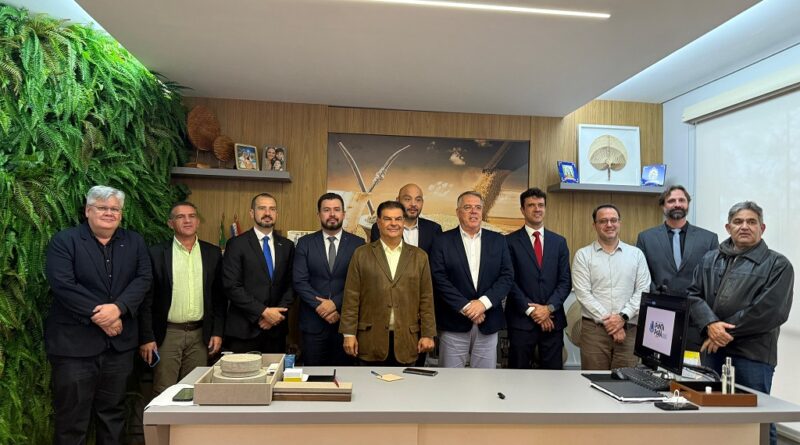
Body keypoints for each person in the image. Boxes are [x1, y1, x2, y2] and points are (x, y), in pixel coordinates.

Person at [45, 185, 152, 445]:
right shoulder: (65, 241)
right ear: (87, 211)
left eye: (115, 209)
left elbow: (143, 278)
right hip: (74, 348)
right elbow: (63, 284)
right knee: (72, 421)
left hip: (119, 348)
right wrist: (102, 317)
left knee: (113, 417)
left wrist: (118, 308)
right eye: (102, 208)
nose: (109, 213)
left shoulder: (134, 241)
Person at [689, 201, 793, 445]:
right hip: (713, 353)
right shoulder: (709, 259)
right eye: (738, 221)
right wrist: (710, 325)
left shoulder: (778, 265)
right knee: (715, 417)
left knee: (757, 419)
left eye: (751, 221)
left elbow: (770, 311)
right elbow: (692, 295)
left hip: (753, 355)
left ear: (762, 228)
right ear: (728, 227)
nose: (744, 226)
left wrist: (720, 332)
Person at [138, 202, 226, 396]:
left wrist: (217, 332)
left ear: (198, 221)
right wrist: (147, 337)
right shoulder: (156, 253)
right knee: (163, 391)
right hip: (167, 335)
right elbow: (145, 300)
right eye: (180, 217)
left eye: (192, 216)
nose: (187, 220)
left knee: (194, 391)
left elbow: (219, 298)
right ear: (170, 223)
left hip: (200, 335)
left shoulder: (212, 253)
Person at [340, 201, 436, 366]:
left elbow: (426, 298)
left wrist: (428, 334)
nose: (393, 223)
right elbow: (351, 297)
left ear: (403, 222)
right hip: (370, 339)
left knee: (406, 383)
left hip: (407, 340)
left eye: (398, 219)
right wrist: (348, 334)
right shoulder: (361, 254)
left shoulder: (419, 257)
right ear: (378, 223)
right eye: (387, 219)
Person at [429, 191, 513, 368]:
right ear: (458, 212)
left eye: (478, 207)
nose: (473, 211)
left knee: (484, 380)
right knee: (451, 379)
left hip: (488, 321)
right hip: (454, 322)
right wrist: (467, 307)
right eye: (467, 207)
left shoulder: (498, 241)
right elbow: (439, 279)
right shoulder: (442, 241)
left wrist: (483, 303)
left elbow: (506, 277)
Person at [636, 185, 718, 350]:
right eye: (671, 201)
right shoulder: (646, 237)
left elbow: (714, 279)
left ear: (688, 204)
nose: (677, 204)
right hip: (659, 315)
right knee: (657, 362)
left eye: (682, 200)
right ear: (663, 206)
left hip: (695, 318)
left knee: (692, 364)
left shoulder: (708, 238)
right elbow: (642, 275)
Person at [572, 204, 650, 370]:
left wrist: (622, 318)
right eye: (603, 221)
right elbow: (583, 294)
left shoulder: (636, 254)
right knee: (593, 379)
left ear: (619, 223)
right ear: (594, 225)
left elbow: (643, 290)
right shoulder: (583, 255)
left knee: (626, 380)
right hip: (594, 332)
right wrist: (612, 324)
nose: (609, 224)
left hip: (629, 329)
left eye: (613, 220)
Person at [294, 193, 365, 365]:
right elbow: (299, 281)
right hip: (313, 324)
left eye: (336, 210)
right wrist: (321, 306)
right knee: (313, 375)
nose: (332, 214)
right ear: (319, 214)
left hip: (345, 325)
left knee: (345, 375)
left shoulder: (358, 244)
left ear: (343, 214)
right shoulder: (305, 243)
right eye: (326, 210)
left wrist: (335, 303)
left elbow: (361, 283)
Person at [505, 188, 571, 369]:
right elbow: (509, 281)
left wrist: (548, 309)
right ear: (522, 210)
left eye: (541, 205)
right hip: (521, 321)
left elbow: (565, 281)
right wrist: (533, 311)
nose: (537, 209)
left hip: (553, 320)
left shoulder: (559, 242)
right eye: (531, 205)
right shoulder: (508, 242)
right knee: (518, 375)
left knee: (552, 377)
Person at [222, 193, 295, 353]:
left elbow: (291, 285)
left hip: (276, 331)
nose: (267, 213)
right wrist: (263, 312)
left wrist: (275, 316)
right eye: (262, 208)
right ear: (251, 213)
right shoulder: (236, 244)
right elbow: (231, 286)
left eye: (272, 209)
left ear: (277, 214)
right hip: (244, 331)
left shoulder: (287, 246)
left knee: (276, 370)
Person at [370, 183, 443, 253]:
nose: (413, 204)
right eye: (407, 199)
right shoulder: (381, 227)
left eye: (418, 200)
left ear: (422, 202)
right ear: (398, 201)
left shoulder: (434, 229)